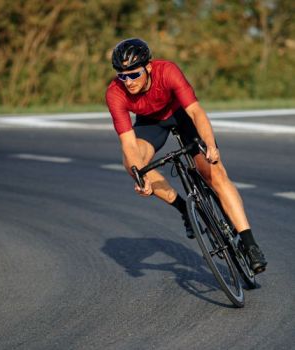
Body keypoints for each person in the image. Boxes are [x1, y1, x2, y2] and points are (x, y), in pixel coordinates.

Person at [105, 38, 267, 274]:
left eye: (133, 74)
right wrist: (140, 177)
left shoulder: (167, 71)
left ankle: (250, 244)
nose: (128, 81)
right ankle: (184, 210)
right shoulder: (115, 93)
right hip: (151, 124)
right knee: (132, 164)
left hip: (182, 116)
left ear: (148, 67)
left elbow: (196, 112)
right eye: (122, 75)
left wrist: (210, 145)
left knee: (215, 173)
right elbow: (128, 144)